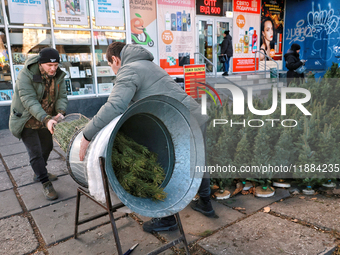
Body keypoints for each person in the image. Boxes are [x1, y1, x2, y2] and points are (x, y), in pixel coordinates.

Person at [79, 42, 216, 233]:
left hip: (177, 124)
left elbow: (115, 106)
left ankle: (166, 219)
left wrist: (87, 134)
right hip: (194, 116)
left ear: (116, 60)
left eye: (110, 65)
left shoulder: (128, 70)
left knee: (163, 164)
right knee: (199, 161)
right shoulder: (148, 64)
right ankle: (205, 203)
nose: (113, 70)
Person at [9, 47, 68, 200]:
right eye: (49, 65)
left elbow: (62, 95)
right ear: (41, 63)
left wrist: (60, 111)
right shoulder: (25, 74)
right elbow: (29, 101)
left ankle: (39, 171)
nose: (53, 69)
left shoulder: (59, 75)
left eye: (55, 65)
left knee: (47, 147)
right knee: (35, 152)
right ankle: (45, 182)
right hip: (27, 119)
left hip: (46, 119)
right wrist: (46, 119)